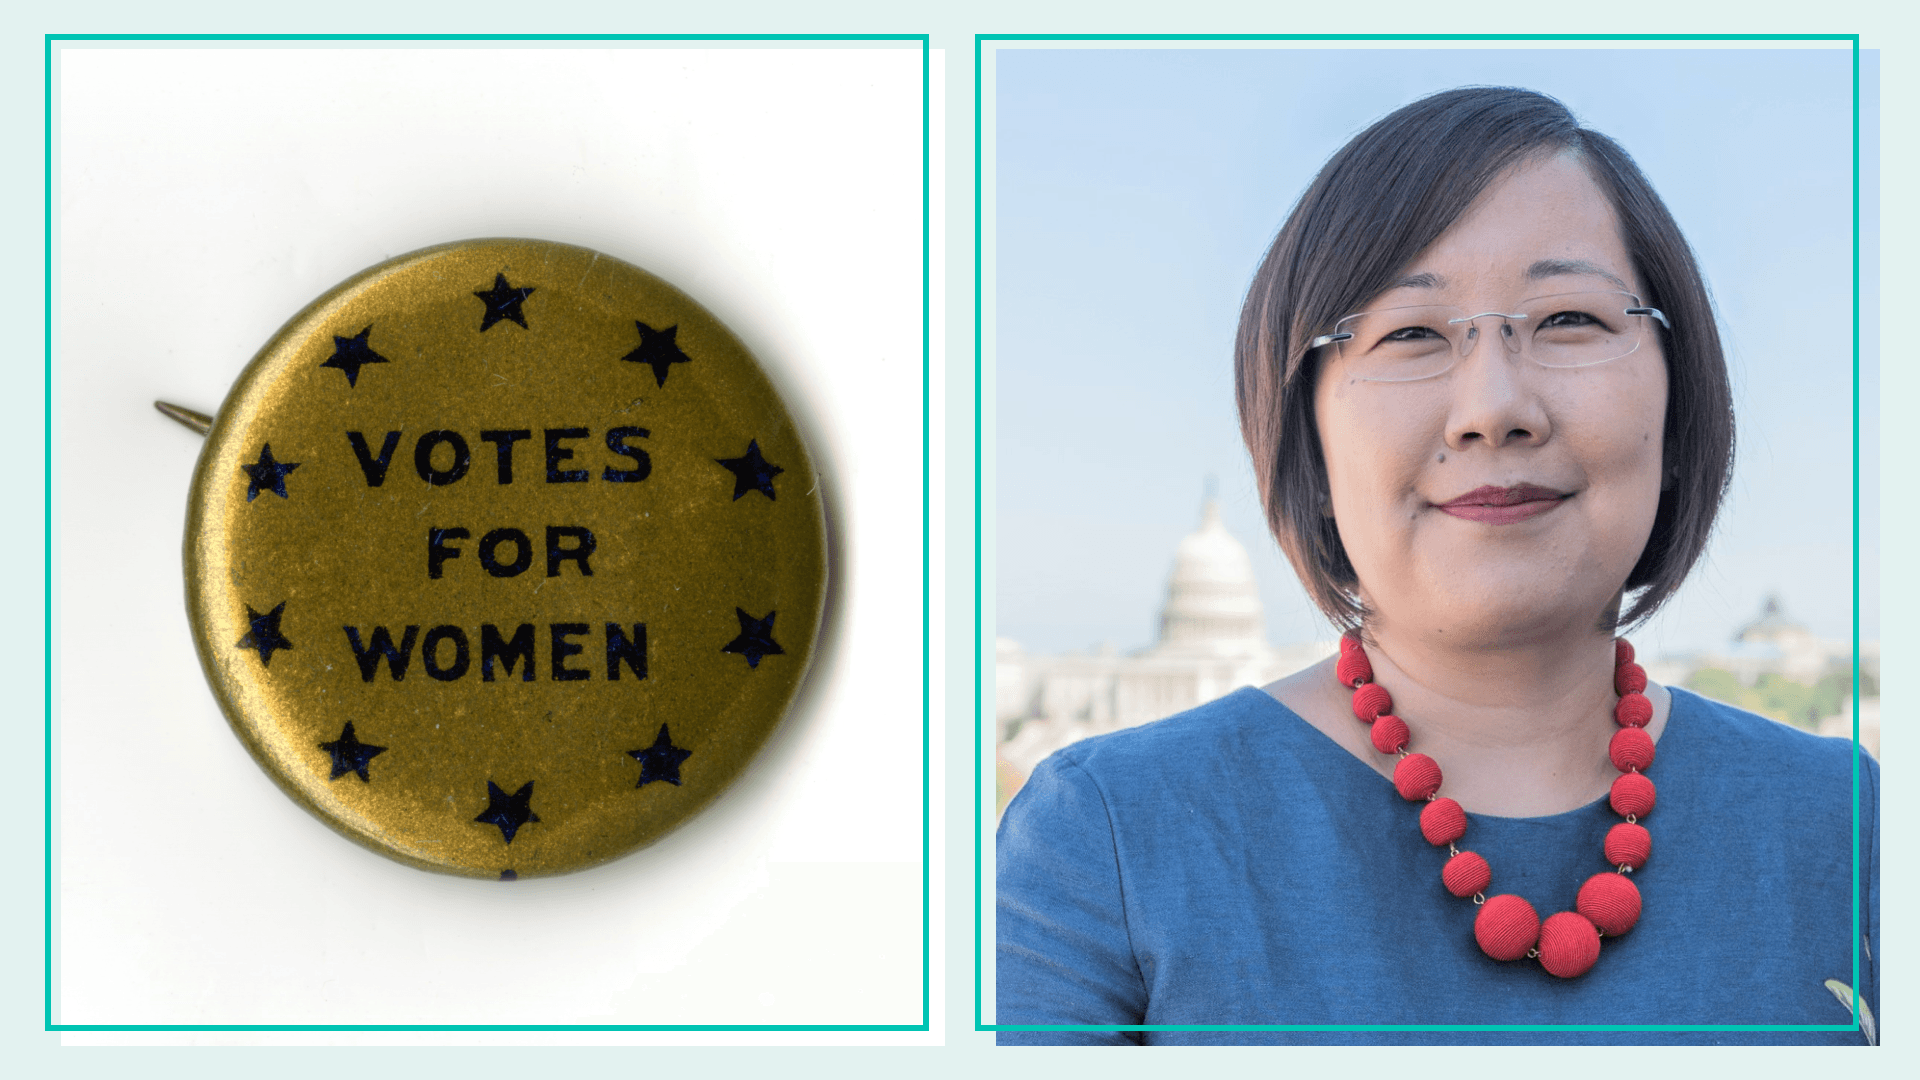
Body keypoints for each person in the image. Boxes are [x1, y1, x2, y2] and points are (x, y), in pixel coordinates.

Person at [994, 87, 1877, 1045]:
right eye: (1411, 332)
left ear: (1679, 401)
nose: (1494, 404)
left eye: (1570, 319)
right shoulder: (1108, 839)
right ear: (1309, 442)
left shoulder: (1852, 827)